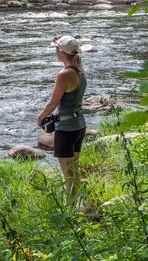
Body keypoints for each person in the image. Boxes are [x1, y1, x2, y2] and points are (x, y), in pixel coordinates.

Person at [37, 36, 87, 197]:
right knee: (74, 170)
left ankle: (70, 212)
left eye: (56, 48)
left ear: (61, 51)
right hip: (79, 125)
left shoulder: (64, 74)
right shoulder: (80, 71)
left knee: (68, 175)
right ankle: (78, 203)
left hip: (66, 130)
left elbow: (52, 104)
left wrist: (40, 117)